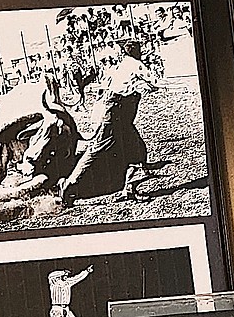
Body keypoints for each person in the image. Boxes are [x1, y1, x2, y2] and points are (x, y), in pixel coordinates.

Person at [59, 39, 160, 208]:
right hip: (115, 114)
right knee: (97, 149)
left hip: (120, 115)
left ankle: (129, 189)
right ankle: (69, 184)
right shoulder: (134, 64)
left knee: (137, 149)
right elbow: (154, 81)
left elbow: (136, 85)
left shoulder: (124, 65)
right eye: (139, 50)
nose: (141, 52)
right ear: (134, 52)